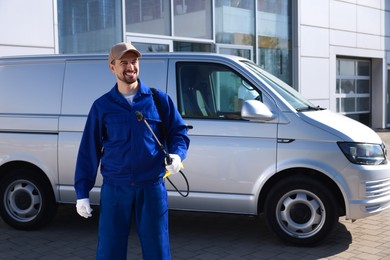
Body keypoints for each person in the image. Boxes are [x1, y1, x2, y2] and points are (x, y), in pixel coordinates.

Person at [74, 42, 190, 260]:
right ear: (112, 67)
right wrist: (82, 192)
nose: (130, 67)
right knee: (110, 250)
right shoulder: (102, 106)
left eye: (134, 62)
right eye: (124, 62)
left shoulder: (158, 100)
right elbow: (89, 150)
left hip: (151, 187)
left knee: (157, 250)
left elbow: (179, 133)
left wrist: (177, 155)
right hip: (116, 188)